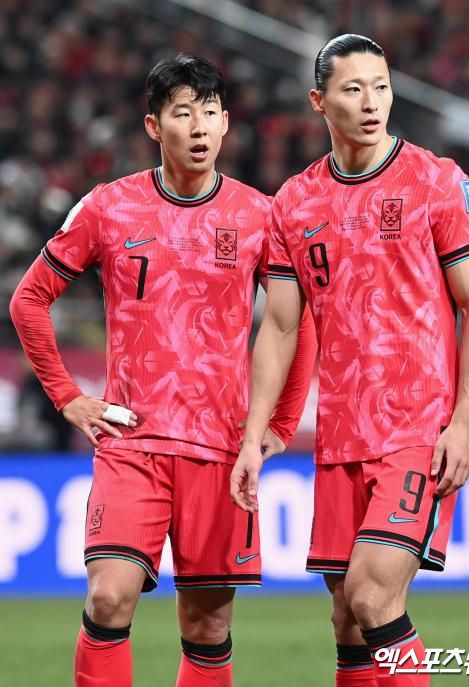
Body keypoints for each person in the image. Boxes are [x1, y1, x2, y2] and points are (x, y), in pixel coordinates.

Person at [10, 53, 316, 687]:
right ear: (154, 126)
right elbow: (29, 299)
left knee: (208, 626)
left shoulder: (260, 216)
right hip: (133, 443)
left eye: (210, 112)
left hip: (221, 450)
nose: (198, 126)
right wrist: (68, 395)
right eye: (182, 113)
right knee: (107, 598)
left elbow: (298, 324)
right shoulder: (108, 207)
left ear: (226, 123)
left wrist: (280, 425)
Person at [230, 34, 469, 687]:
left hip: (419, 430)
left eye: (381, 86)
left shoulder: (437, 181)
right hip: (342, 436)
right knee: (348, 618)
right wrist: (254, 435)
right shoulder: (295, 202)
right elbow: (281, 326)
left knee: (374, 595)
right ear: (319, 101)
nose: (372, 101)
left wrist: (462, 422)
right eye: (354, 89)